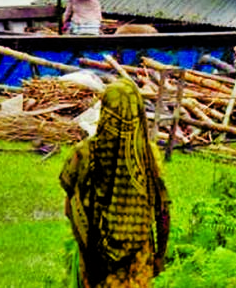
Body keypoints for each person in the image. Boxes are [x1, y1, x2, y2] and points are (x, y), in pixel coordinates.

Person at [60, 78, 170, 288]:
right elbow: (162, 212)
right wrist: (160, 256)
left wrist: (86, 245)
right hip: (137, 266)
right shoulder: (148, 156)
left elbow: (69, 207)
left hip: (95, 264)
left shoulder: (82, 154)